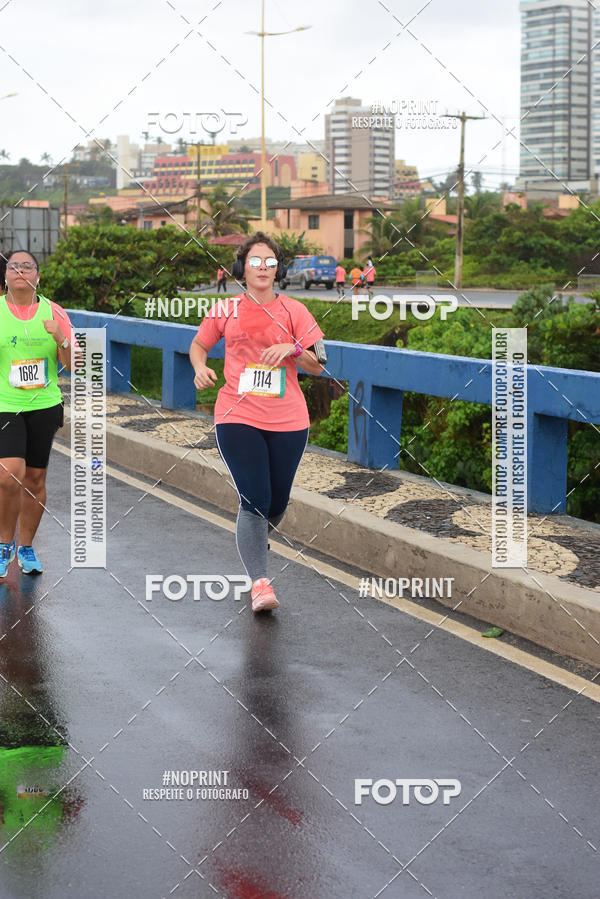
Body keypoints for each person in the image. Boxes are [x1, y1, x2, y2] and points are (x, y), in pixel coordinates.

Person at [190, 232, 327, 613]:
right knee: (255, 498)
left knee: (278, 501)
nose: (262, 267)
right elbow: (199, 345)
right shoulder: (225, 310)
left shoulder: (296, 312)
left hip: (289, 419)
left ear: (278, 269)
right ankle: (260, 582)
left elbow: (319, 363)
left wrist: (295, 349)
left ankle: (252, 544)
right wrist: (200, 368)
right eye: (255, 261)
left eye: (269, 261)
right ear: (242, 268)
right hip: (237, 414)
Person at [0, 250, 75, 577]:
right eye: (13, 266)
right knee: (8, 474)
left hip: (44, 405)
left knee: (35, 478)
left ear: (38, 276)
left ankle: (27, 546)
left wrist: (61, 338)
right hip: (5, 404)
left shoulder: (54, 312)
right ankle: (5, 543)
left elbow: (74, 365)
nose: (20, 270)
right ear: (5, 276)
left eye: (27, 266)